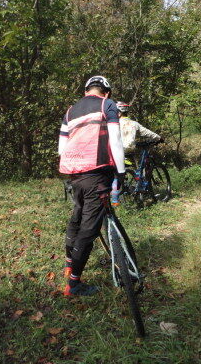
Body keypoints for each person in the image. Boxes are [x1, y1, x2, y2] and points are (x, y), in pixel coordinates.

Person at [58, 76, 125, 297]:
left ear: (86, 91)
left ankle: (69, 264)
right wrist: (121, 173)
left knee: (77, 217)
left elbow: (61, 148)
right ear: (107, 92)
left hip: (74, 174)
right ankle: (74, 284)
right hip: (97, 174)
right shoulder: (108, 105)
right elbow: (116, 140)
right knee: (89, 229)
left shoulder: (70, 111)